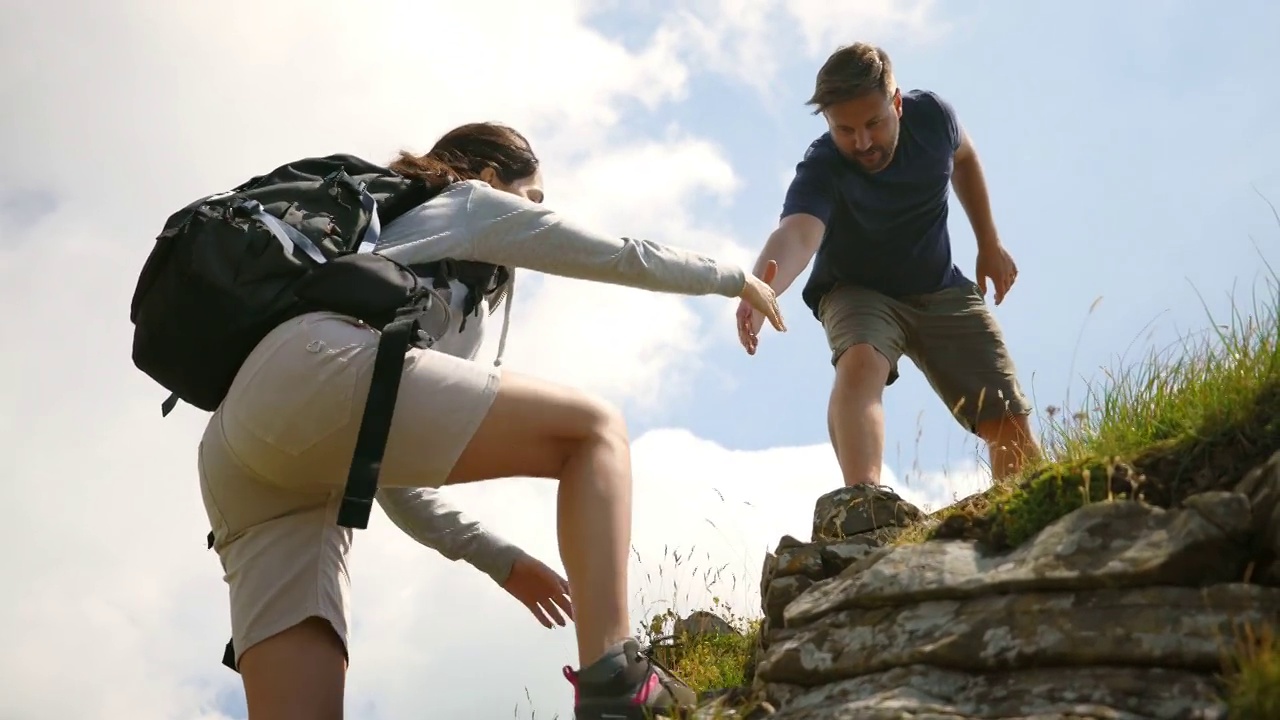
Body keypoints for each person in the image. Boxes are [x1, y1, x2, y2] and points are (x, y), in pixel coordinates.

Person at [197, 121, 786, 720]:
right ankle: (616, 680)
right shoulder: (469, 204)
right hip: (320, 365)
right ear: (486, 177)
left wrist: (501, 560)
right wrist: (731, 278)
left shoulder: (399, 259)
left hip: (241, 448)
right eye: (532, 199)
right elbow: (614, 253)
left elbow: (390, 473)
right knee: (595, 432)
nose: (536, 214)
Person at [735, 42, 1041, 493]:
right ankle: (866, 502)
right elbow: (798, 235)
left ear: (896, 103)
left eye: (874, 123)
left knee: (1006, 415)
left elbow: (965, 158)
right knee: (860, 362)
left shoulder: (934, 118)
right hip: (857, 292)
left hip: (939, 287)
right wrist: (760, 288)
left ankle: (1027, 507)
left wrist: (988, 243)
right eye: (845, 130)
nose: (861, 143)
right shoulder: (823, 166)